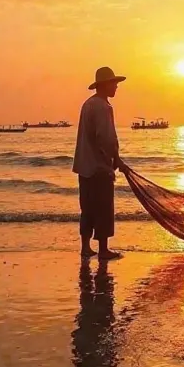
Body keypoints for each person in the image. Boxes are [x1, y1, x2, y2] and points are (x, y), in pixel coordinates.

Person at [73, 66, 126, 260]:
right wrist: (115, 159)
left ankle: (85, 248)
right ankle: (103, 250)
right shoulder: (104, 106)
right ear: (105, 85)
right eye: (114, 83)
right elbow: (105, 138)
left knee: (87, 207)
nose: (116, 87)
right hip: (98, 168)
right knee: (104, 208)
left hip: (84, 167)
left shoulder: (88, 104)